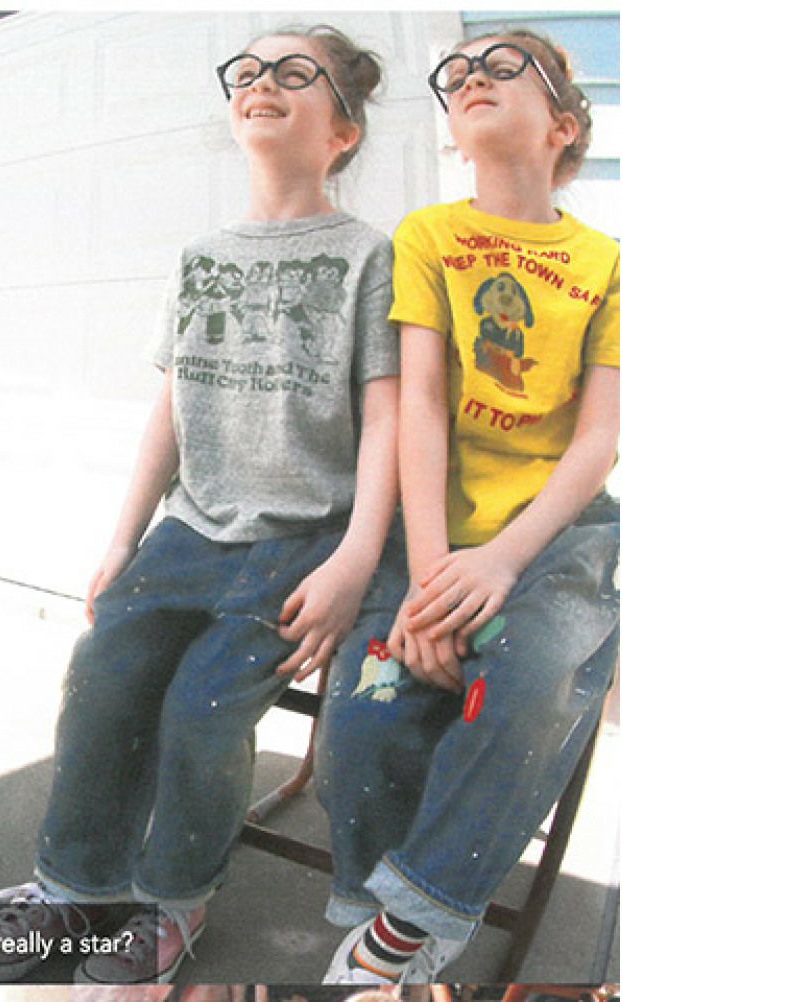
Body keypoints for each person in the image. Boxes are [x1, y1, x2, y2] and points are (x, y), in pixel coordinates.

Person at [0, 25, 399, 986]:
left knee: (202, 710)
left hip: (303, 540)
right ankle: (75, 889)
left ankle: (173, 899)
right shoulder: (202, 255)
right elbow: (170, 409)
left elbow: (389, 417)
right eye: (248, 70)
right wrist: (121, 540)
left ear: (342, 132)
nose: (263, 81)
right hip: (189, 531)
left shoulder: (368, 255)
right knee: (100, 679)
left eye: (295, 73)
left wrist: (355, 560)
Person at [316, 28, 620, 984]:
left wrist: (501, 560)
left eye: (503, 66)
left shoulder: (609, 262)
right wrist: (431, 575)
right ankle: (377, 909)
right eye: (459, 73)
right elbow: (419, 404)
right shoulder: (429, 237)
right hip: (429, 528)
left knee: (527, 692)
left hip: (557, 537)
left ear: (563, 126)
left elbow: (599, 439)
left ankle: (406, 930)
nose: (472, 76)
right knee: (363, 713)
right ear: (452, 128)